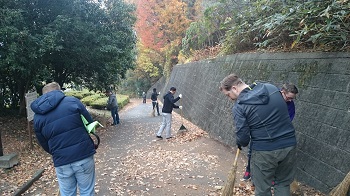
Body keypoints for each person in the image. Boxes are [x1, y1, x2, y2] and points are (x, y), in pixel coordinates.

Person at [220, 74, 297, 196]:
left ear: (234, 88)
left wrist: (239, 142)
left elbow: (243, 138)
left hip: (265, 151)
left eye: (228, 95)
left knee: (263, 189)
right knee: (282, 184)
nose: (230, 98)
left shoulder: (240, 106)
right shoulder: (271, 88)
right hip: (289, 144)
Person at [30, 82, 96, 196]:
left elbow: (43, 142)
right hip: (83, 154)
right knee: (87, 191)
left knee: (67, 193)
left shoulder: (37, 116)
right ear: (59, 91)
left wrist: (56, 152)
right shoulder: (72, 101)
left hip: (61, 160)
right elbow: (90, 124)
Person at [243, 83, 299, 181]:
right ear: (282, 92)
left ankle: (270, 177)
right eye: (289, 98)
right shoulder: (268, 96)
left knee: (275, 156)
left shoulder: (290, 106)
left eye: (292, 99)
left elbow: (287, 122)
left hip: (276, 134)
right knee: (252, 151)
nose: (290, 100)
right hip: (260, 129)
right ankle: (249, 169)